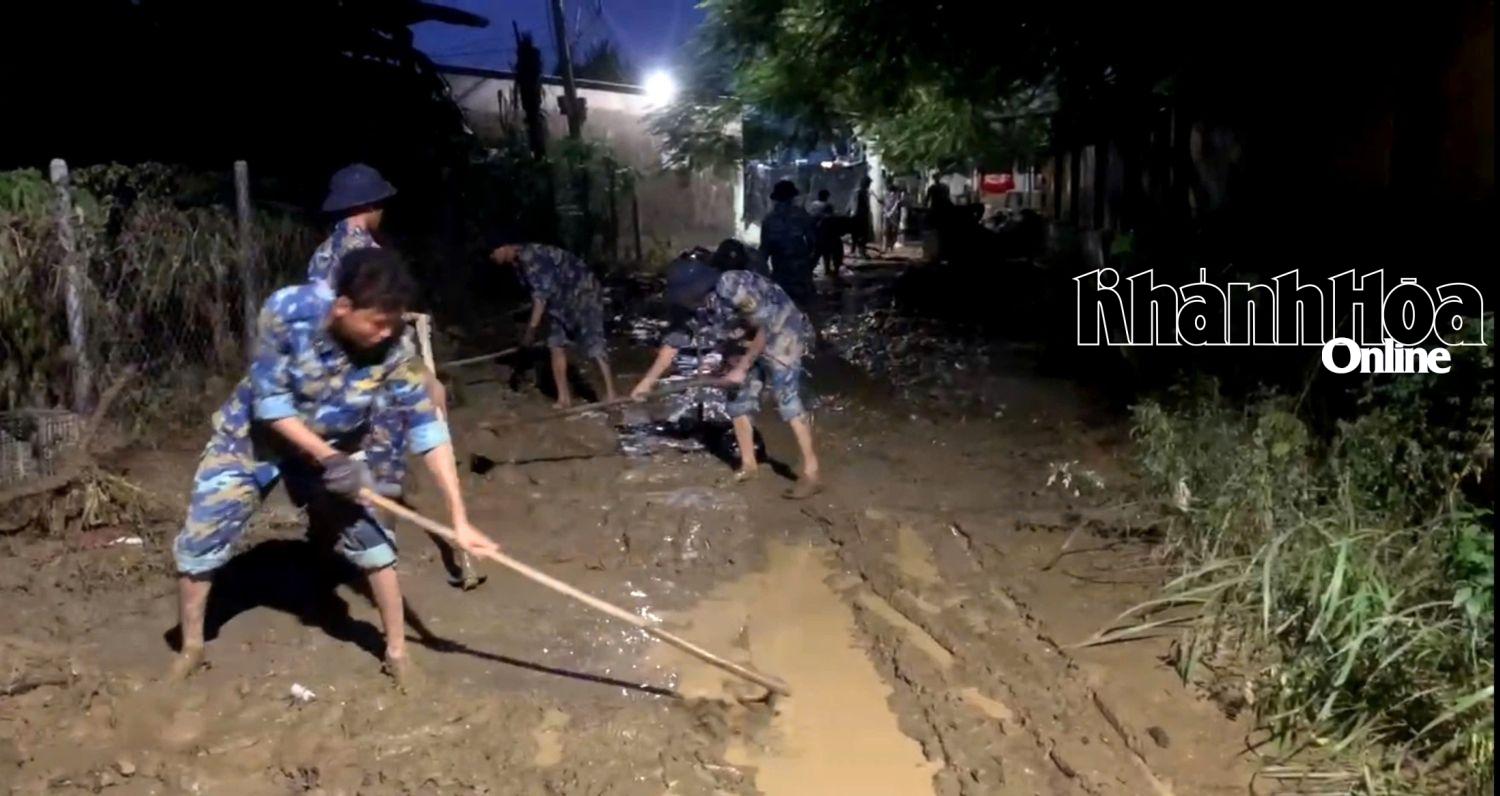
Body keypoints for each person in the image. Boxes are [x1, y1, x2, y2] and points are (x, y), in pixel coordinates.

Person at [168, 248, 500, 689]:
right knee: (203, 534)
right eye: (377, 323)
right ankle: (192, 646)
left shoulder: (396, 349)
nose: (386, 334)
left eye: (393, 323)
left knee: (374, 540)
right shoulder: (288, 311)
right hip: (254, 438)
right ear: (343, 308)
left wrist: (459, 518)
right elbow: (272, 406)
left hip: (339, 439)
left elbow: (428, 432)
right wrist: (330, 460)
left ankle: (398, 653)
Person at [308, 164, 479, 590]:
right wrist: (423, 376)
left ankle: (334, 546)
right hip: (376, 372)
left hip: (332, 377)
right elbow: (384, 328)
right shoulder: (370, 254)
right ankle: (378, 560)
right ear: (370, 206)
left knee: (347, 458)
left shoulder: (321, 254)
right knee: (384, 462)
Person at [631, 260, 823, 499]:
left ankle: (811, 472)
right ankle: (749, 464)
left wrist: (742, 366)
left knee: (786, 398)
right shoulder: (691, 307)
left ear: (695, 289)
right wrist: (648, 382)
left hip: (783, 330)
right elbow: (673, 342)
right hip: (747, 339)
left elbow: (766, 326)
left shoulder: (733, 285)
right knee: (736, 398)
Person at [487, 233, 616, 409]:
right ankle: (564, 399)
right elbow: (539, 293)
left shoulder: (532, 257)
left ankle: (611, 394)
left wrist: (530, 333)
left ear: (505, 247)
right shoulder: (518, 263)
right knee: (555, 345)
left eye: (494, 252)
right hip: (559, 302)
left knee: (593, 343)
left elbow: (540, 300)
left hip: (583, 295)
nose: (493, 257)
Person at [758, 179, 817, 309]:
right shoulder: (802, 215)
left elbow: (764, 251)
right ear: (792, 197)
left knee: (782, 312)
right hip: (800, 272)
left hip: (781, 272)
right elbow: (813, 242)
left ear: (776, 199)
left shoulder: (769, 219)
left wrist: (763, 275)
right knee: (805, 310)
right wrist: (810, 264)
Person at [806, 189, 845, 284]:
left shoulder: (812, 205)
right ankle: (831, 270)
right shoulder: (827, 206)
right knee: (833, 250)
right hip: (825, 233)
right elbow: (830, 219)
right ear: (826, 197)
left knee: (817, 253)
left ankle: (809, 272)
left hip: (814, 233)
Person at [850, 176, 875, 258]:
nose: (869, 185)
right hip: (859, 216)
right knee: (860, 235)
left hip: (862, 215)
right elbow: (855, 205)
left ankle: (858, 251)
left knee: (861, 235)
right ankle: (859, 252)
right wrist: (855, 215)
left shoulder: (864, 192)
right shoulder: (859, 192)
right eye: (868, 183)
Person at [882, 185, 905, 250]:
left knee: (893, 231)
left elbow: (896, 205)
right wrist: (886, 212)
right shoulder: (886, 196)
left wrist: (890, 212)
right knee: (885, 231)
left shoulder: (896, 197)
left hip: (893, 215)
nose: (892, 194)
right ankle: (885, 245)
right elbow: (884, 205)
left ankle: (891, 245)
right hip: (887, 215)